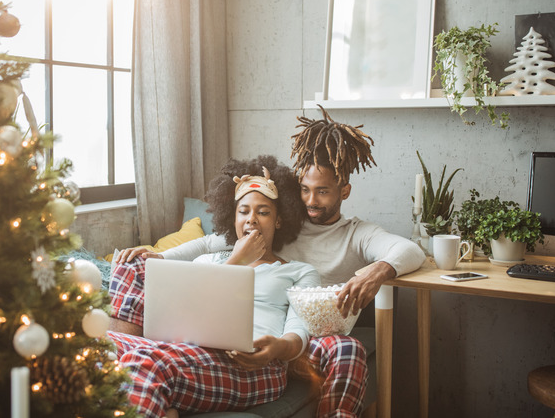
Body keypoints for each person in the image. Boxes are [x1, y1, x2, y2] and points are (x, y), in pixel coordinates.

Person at [118, 107, 426, 418]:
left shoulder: (356, 235)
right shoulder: (278, 226)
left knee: (347, 348)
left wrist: (379, 270)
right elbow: (212, 241)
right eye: (304, 190)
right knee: (133, 268)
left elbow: (410, 250)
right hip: (218, 337)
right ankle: (128, 345)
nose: (310, 201)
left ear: (344, 190)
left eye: (322, 192)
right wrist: (160, 257)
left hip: (304, 334)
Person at [107, 155, 321, 418]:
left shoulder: (298, 271)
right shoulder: (207, 260)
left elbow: (298, 333)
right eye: (243, 212)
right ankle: (154, 394)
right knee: (97, 346)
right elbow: (185, 308)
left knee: (142, 361)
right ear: (233, 219)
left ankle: (145, 379)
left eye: (263, 212)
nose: (251, 219)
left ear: (279, 220)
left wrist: (277, 348)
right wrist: (237, 260)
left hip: (254, 367)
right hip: (186, 351)